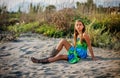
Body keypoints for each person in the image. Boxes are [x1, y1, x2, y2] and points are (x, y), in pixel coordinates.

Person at [31, 19, 96, 64]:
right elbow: (75, 46)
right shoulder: (75, 35)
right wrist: (70, 45)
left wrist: (93, 57)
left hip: (80, 54)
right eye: (77, 25)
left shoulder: (85, 35)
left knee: (60, 56)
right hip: (75, 51)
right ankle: (50, 56)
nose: (78, 26)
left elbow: (89, 46)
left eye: (80, 24)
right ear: (75, 27)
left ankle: (41, 61)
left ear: (83, 26)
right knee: (63, 41)